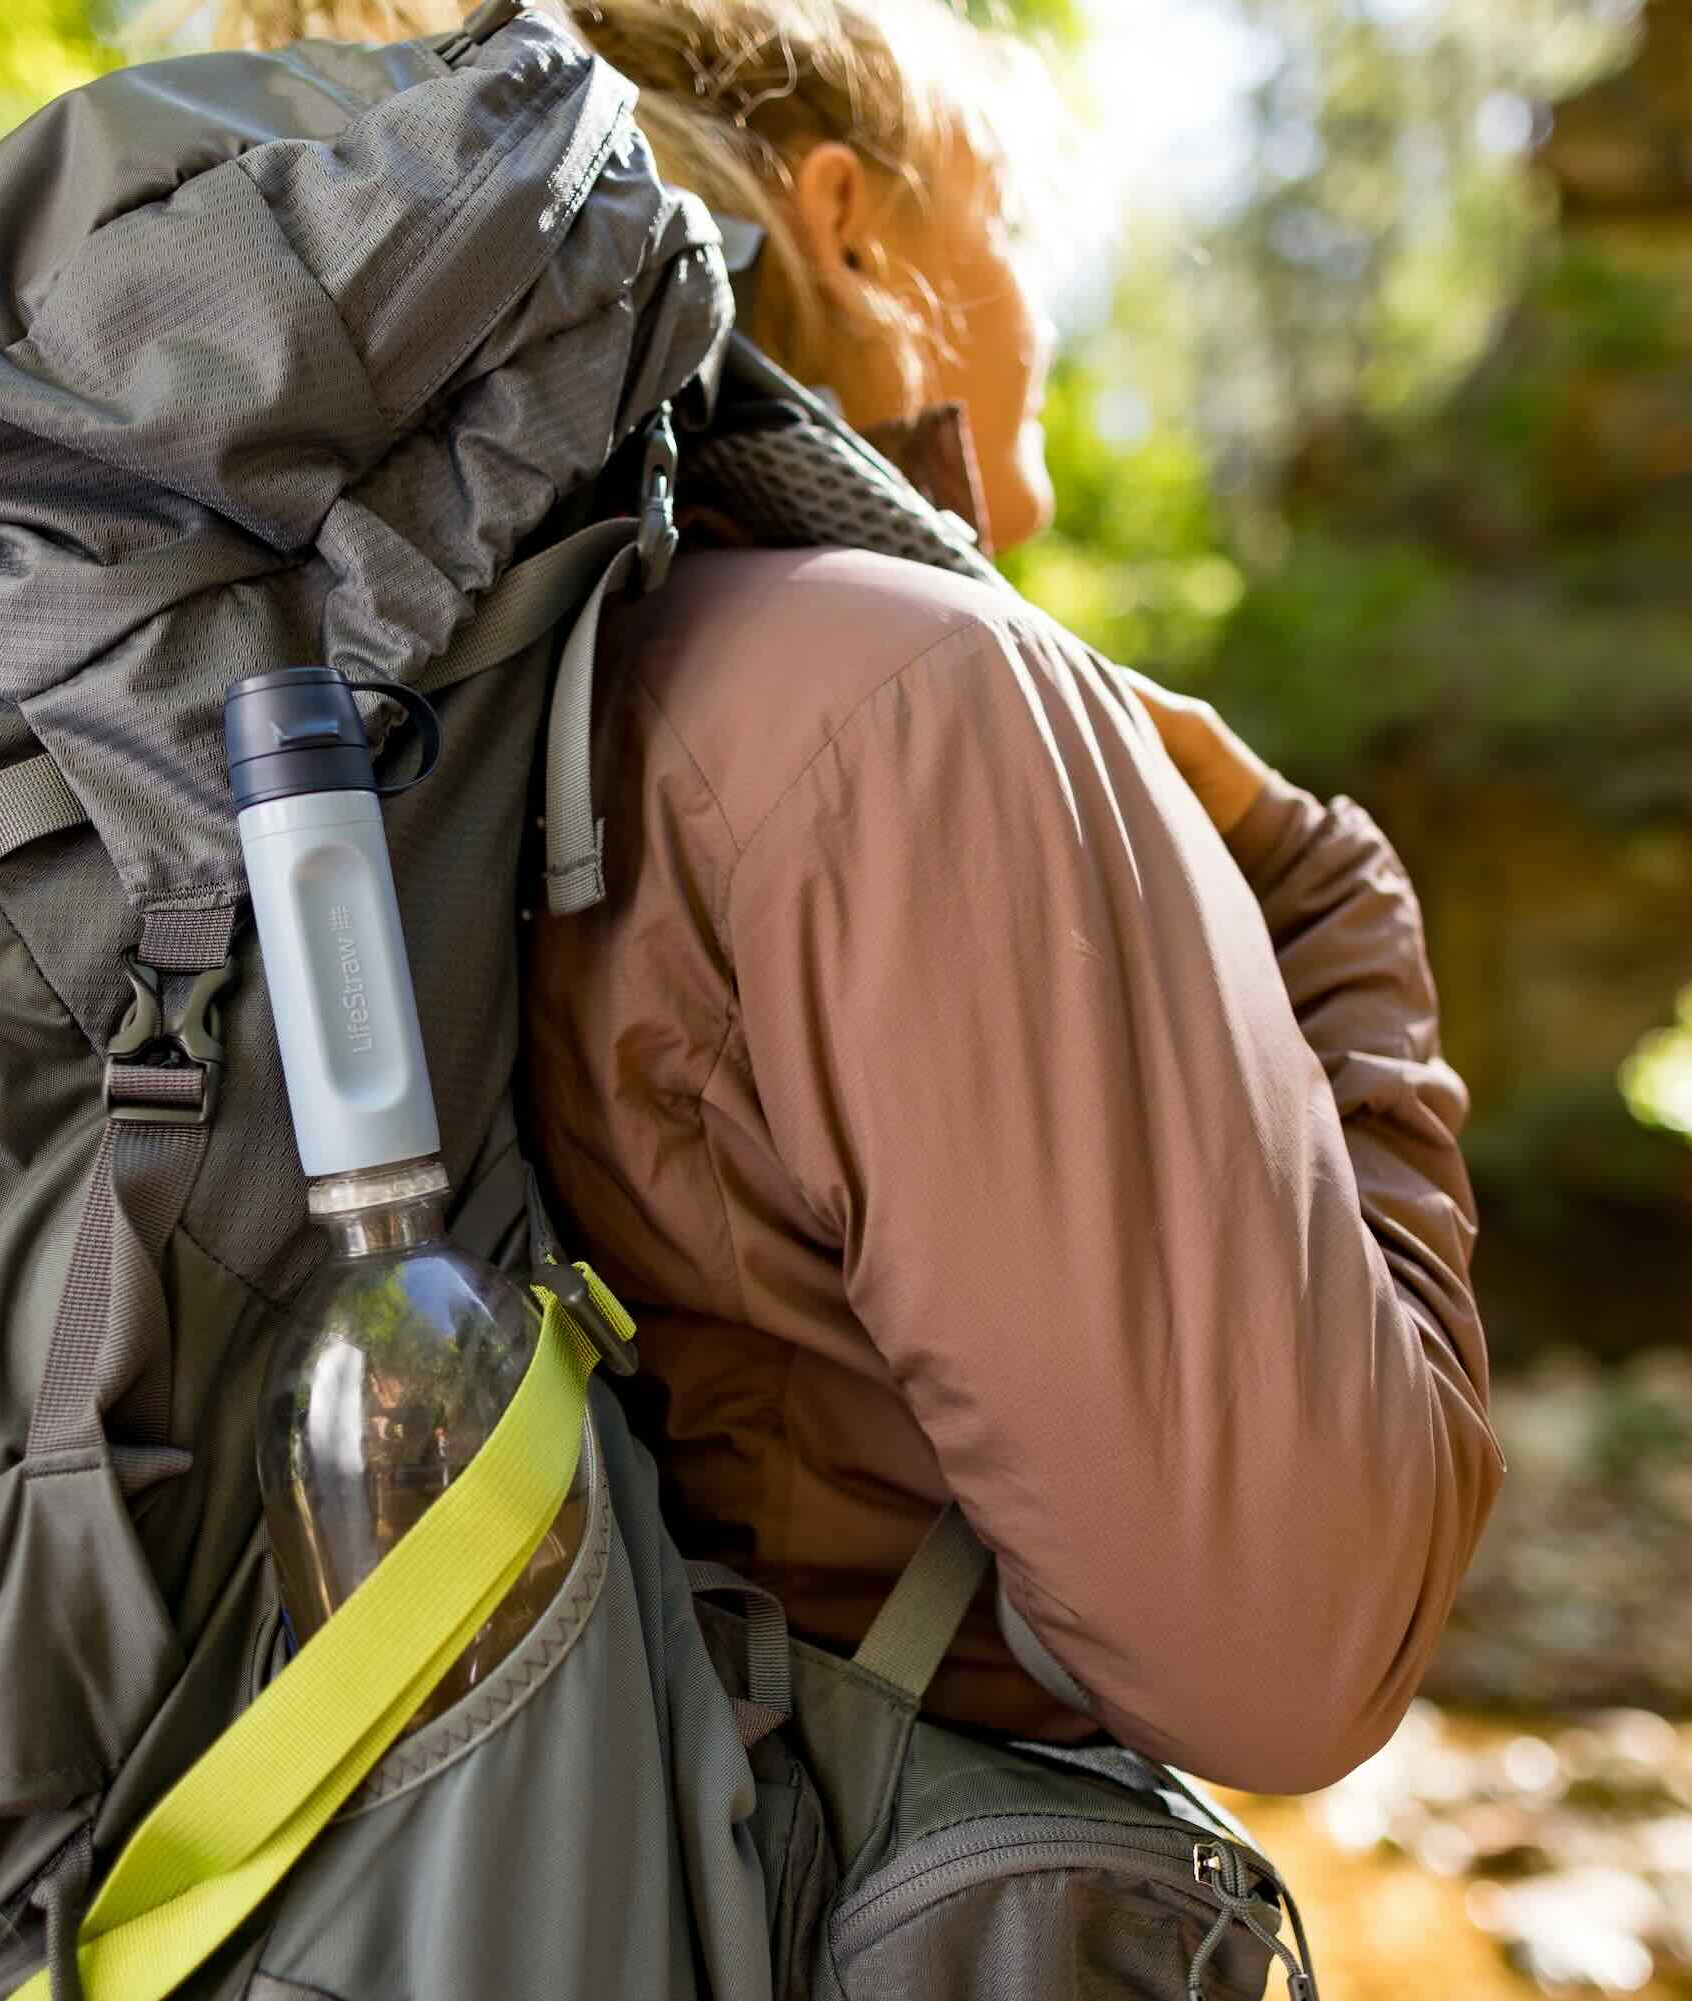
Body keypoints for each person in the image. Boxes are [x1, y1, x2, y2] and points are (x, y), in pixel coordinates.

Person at [227, 0, 1502, 1796]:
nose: (1040, 303)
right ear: (842, 220)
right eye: (1010, 224)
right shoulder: (904, 706)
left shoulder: (459, 728)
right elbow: (1303, 1654)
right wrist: (1326, 893)